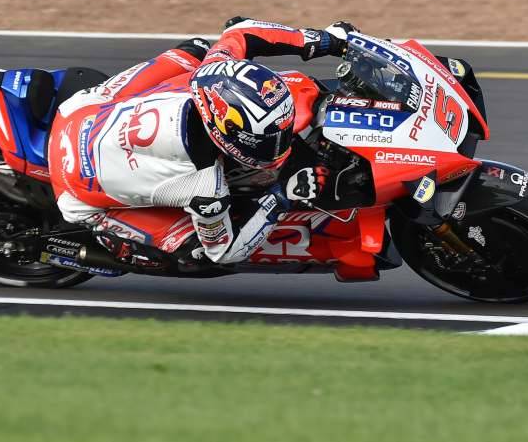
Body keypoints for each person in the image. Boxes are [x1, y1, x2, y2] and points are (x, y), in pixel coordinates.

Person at [48, 17, 357, 265]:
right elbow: (224, 251)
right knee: (195, 253)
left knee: (195, 50)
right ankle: (111, 241)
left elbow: (243, 32)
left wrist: (325, 41)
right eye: (265, 139)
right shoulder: (205, 187)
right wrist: (281, 197)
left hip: (79, 112)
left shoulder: (213, 74)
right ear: (223, 132)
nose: (279, 145)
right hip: (77, 193)